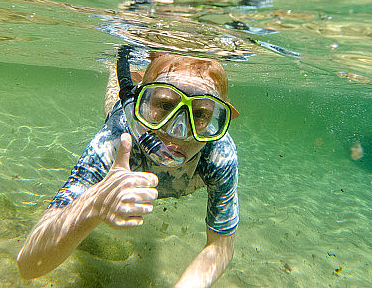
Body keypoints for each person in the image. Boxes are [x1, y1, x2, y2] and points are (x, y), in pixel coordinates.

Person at [16, 50, 240, 287]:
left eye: (200, 113)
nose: (178, 132)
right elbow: (28, 266)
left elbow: (221, 246)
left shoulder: (218, 154)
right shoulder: (116, 139)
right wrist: (95, 204)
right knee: (113, 102)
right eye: (165, 105)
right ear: (138, 103)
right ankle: (129, 77)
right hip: (124, 111)